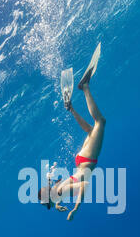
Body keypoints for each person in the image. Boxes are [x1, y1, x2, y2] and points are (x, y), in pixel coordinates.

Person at [39, 65, 106, 221]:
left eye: (50, 203)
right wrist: (56, 204)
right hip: (81, 162)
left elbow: (83, 186)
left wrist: (75, 209)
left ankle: (85, 87)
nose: (53, 203)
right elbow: (62, 190)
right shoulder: (57, 190)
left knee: (100, 122)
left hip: (87, 161)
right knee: (91, 131)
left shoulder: (60, 192)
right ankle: (72, 110)